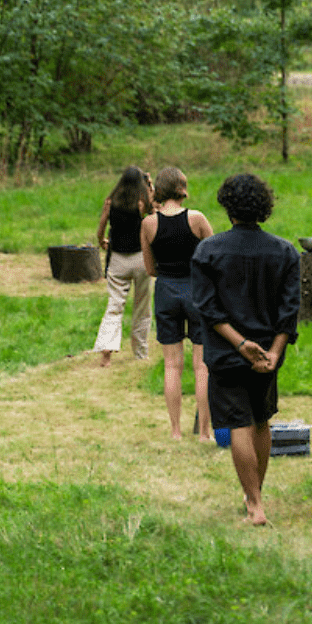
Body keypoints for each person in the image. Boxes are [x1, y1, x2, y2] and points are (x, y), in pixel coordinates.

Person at [190, 173, 300, 526]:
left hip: (227, 352)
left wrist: (239, 344)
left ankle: (254, 504)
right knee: (261, 422)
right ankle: (256, 495)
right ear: (263, 207)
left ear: (227, 206)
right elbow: (290, 309)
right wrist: (273, 352)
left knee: (238, 425)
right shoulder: (284, 251)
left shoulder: (208, 250)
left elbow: (207, 308)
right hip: (268, 355)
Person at [141, 167, 215, 440]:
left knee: (172, 365)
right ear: (182, 188)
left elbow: (150, 268)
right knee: (202, 365)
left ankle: (175, 431)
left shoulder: (148, 224)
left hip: (166, 291)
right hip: (197, 290)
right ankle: (204, 432)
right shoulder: (197, 219)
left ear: (159, 190)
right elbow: (214, 256)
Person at [92, 166, 154, 367]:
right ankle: (140, 353)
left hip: (117, 259)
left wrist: (102, 240)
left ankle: (106, 352)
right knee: (142, 308)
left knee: (114, 306)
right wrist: (150, 186)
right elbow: (154, 212)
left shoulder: (110, 202)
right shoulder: (141, 202)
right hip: (140, 258)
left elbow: (101, 229)